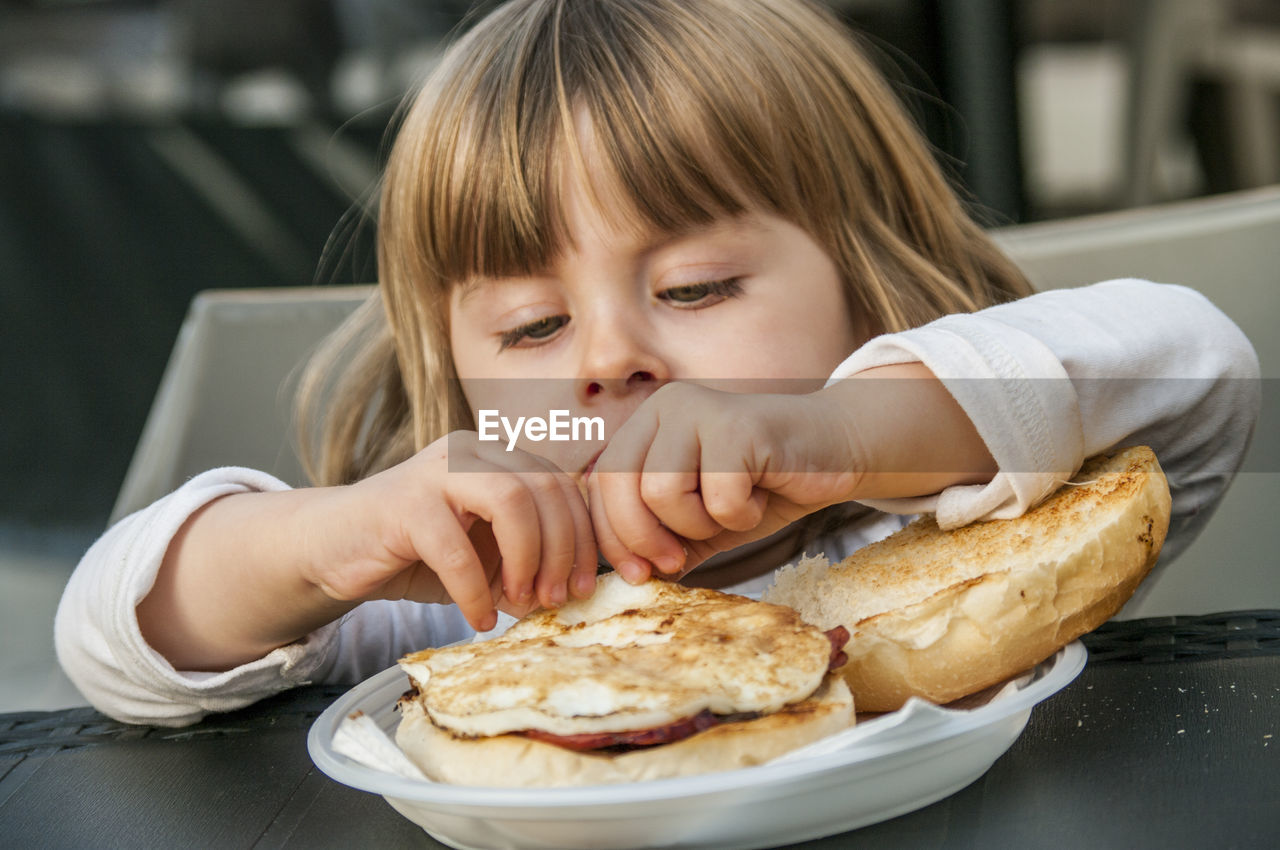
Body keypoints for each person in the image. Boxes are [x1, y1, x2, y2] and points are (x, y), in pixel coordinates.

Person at [56, 0, 1258, 726]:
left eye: (694, 289)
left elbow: (1201, 364)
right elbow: (111, 646)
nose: (611, 359)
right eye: (531, 329)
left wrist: (843, 433)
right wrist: (329, 542)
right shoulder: (467, 603)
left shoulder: (962, 543)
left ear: (859, 280)